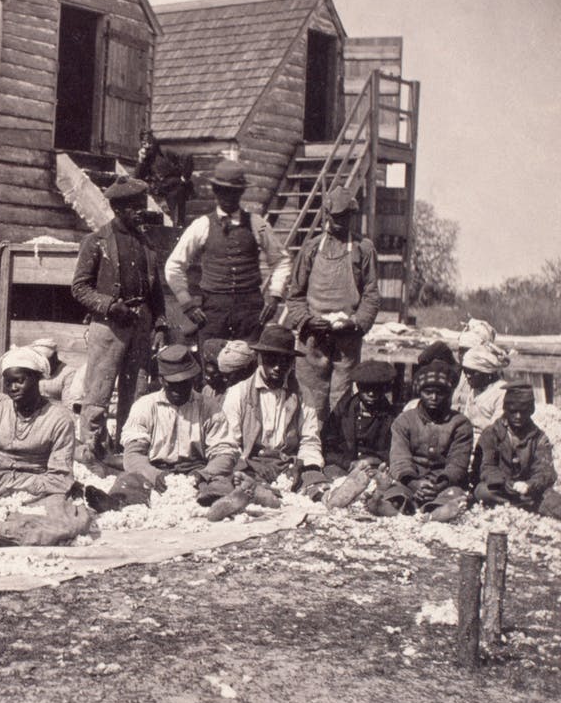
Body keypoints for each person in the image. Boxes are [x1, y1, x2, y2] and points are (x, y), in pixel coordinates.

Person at [71, 178, 168, 463]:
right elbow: (79, 288)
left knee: (136, 390)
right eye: (132, 207)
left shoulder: (145, 242)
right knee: (98, 391)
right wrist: (110, 306)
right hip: (108, 326)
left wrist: (160, 324)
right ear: (116, 208)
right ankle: (91, 450)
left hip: (141, 325)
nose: (139, 211)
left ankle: (127, 451)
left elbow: (156, 290)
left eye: (140, 205)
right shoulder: (96, 241)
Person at [165, 159, 291, 341]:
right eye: (222, 190)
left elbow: (281, 260)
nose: (228, 196)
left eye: (233, 191)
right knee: (212, 363)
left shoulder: (258, 224)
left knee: (248, 361)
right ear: (215, 191)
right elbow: (173, 265)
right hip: (214, 313)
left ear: (241, 192)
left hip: (250, 312)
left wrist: (275, 296)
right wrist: (186, 303)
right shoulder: (201, 225)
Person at [284, 186, 381, 419]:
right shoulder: (311, 248)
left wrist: (356, 323)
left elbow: (371, 295)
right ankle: (310, 449)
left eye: (345, 217)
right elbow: (295, 295)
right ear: (326, 215)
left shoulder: (363, 249)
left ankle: (339, 450)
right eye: (335, 217)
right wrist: (307, 320)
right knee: (310, 400)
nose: (340, 222)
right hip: (312, 339)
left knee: (342, 400)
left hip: (346, 340)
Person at [207, 324, 325, 496]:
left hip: (288, 463)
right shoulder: (238, 393)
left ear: (292, 362)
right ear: (261, 358)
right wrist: (251, 464)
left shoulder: (302, 393)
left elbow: (310, 440)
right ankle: (258, 492)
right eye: (272, 359)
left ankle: (321, 494)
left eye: (285, 360)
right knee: (231, 479)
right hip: (250, 463)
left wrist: (303, 465)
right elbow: (229, 443)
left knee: (316, 482)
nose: (278, 367)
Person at [0, 347, 76, 502]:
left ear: (37, 378)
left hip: (41, 486)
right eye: (8, 383)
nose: (13, 388)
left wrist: (18, 488)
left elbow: (61, 476)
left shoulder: (59, 419)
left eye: (20, 381)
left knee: (54, 518)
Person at [119, 345, 228, 493]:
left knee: (221, 484)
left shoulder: (209, 407)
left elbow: (224, 452)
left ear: (193, 379)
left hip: (198, 471)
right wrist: (154, 475)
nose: (179, 389)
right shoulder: (144, 406)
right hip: (155, 469)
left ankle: (214, 501)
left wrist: (204, 474)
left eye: (184, 383)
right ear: (162, 380)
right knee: (127, 482)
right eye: (173, 384)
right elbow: (133, 454)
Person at [378, 360, 474, 519]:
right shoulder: (404, 421)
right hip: (409, 482)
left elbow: (457, 463)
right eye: (428, 392)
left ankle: (433, 513)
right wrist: (414, 484)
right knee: (394, 493)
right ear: (419, 392)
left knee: (454, 495)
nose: (434, 397)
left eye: (440, 393)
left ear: (449, 394)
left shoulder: (460, 424)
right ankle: (402, 508)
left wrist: (438, 486)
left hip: (444, 485)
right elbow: (399, 459)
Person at [473, 384, 560, 519]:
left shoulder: (539, 437)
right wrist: (505, 483)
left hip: (528, 491)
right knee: (482, 491)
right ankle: (524, 506)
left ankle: (518, 505)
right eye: (513, 411)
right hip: (500, 488)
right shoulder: (491, 433)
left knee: (553, 499)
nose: (518, 416)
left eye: (524, 411)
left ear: (531, 410)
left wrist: (530, 485)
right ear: (505, 409)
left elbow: (545, 471)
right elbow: (487, 467)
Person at [321, 360, 398, 478]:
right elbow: (327, 446)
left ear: (384, 389)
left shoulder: (391, 417)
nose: (371, 393)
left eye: (377, 389)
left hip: (377, 468)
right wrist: (348, 463)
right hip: (343, 468)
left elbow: (396, 451)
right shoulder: (342, 411)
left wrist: (372, 461)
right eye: (366, 388)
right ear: (358, 387)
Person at [458, 343, 510, 447]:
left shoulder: (502, 391)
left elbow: (496, 431)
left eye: (473, 372)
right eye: (466, 371)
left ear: (487, 372)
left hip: (490, 445)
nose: (468, 376)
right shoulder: (475, 389)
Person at [33, 338, 77, 407]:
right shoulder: (34, 370)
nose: (43, 363)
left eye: (46, 360)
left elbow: (68, 404)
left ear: (55, 356)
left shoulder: (69, 373)